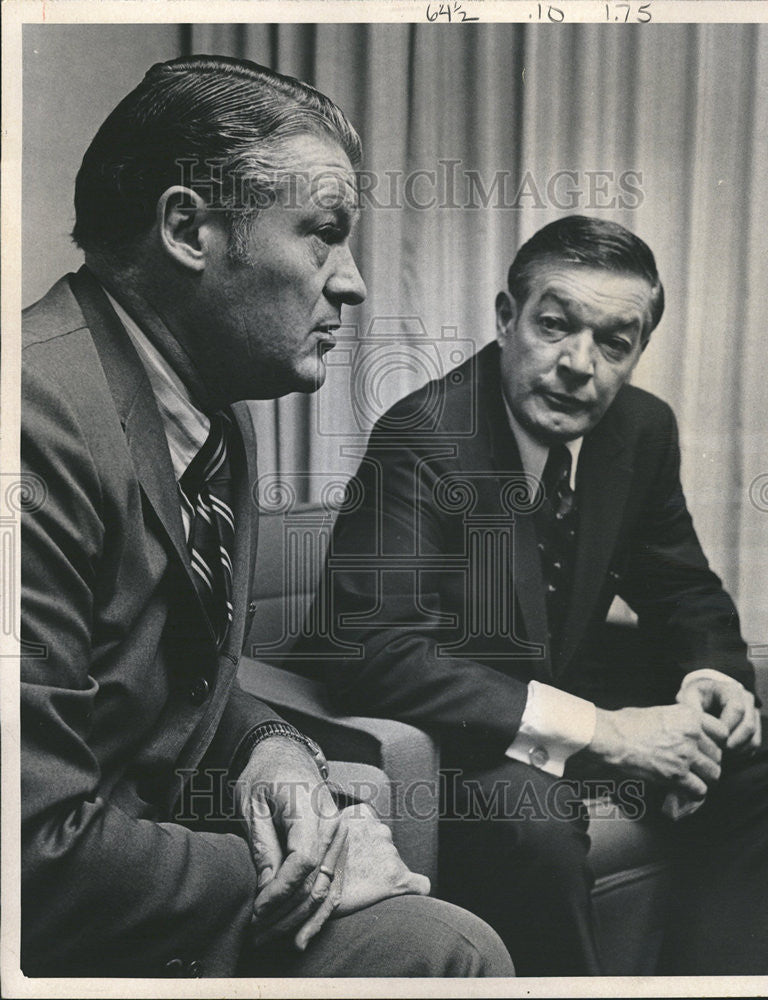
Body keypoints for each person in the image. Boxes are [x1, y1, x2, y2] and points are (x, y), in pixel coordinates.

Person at [19, 54, 515, 979]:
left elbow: (171, 684)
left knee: (452, 946)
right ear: (186, 228)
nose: (353, 283)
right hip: (64, 919)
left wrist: (272, 744)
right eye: (324, 235)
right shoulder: (28, 420)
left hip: (142, 868)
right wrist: (299, 862)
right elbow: (27, 855)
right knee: (447, 954)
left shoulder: (218, 423)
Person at [311, 215, 768, 976]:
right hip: (460, 737)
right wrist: (612, 734)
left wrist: (709, 683)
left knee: (766, 760)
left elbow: (684, 589)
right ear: (505, 319)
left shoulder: (641, 428)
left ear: (636, 353)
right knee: (536, 824)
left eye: (613, 343)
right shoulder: (425, 436)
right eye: (555, 325)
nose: (578, 365)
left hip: (570, 699)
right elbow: (376, 652)